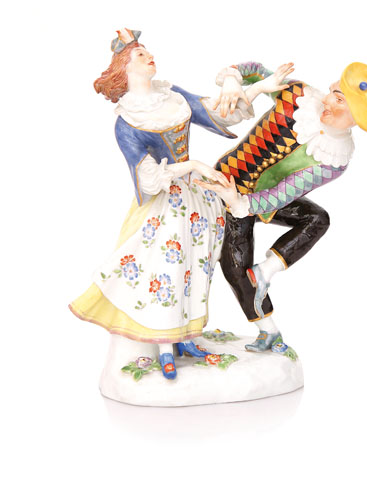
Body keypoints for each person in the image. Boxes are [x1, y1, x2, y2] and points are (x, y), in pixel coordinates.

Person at [69, 30, 289, 379]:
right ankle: (164, 346)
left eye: (147, 51)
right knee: (167, 271)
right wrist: (193, 166)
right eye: (140, 55)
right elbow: (147, 178)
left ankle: (186, 337)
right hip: (166, 203)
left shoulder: (173, 97)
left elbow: (218, 111)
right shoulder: (127, 122)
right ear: (125, 68)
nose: (149, 56)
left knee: (196, 268)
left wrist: (262, 87)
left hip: (196, 200)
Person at [196, 61, 367, 352]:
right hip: (229, 181)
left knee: (318, 219)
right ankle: (266, 329)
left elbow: (283, 194)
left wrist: (242, 204)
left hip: (258, 199)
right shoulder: (298, 96)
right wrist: (233, 78)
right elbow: (254, 70)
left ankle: (268, 271)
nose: (327, 101)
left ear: (357, 117)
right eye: (332, 92)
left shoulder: (334, 159)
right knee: (235, 267)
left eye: (339, 100)